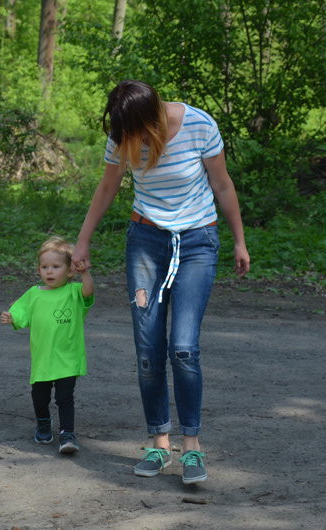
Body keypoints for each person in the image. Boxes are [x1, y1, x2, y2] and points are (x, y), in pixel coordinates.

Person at [72, 80, 250, 485]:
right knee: (149, 350)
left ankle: (191, 448)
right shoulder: (123, 135)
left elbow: (222, 184)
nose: (129, 139)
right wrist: (83, 241)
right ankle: (158, 442)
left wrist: (239, 240)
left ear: (151, 115)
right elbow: (107, 187)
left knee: (184, 348)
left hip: (196, 244)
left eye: (134, 130)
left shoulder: (199, 126)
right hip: (146, 245)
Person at [0, 236, 95, 455]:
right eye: (44, 267)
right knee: (39, 396)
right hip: (43, 358)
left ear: (69, 271)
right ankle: (43, 422)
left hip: (67, 358)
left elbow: (88, 291)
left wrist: (85, 273)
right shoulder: (33, 294)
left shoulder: (73, 293)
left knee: (65, 397)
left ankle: (67, 434)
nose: (49, 272)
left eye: (55, 266)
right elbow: (20, 311)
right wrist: (11, 317)